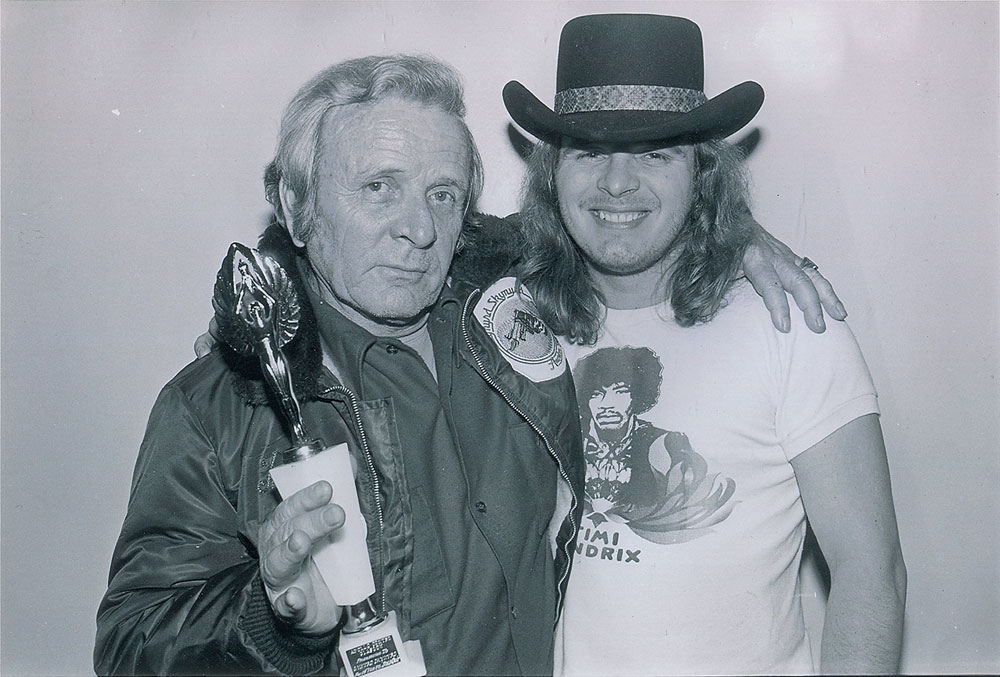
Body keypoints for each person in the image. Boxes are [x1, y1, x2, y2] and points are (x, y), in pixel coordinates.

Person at [95, 55, 586, 676]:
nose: (419, 230)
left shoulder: (512, 322)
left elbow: (619, 228)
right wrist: (273, 617)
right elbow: (130, 645)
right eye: (378, 187)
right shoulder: (217, 406)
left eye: (443, 195)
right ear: (297, 205)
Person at [498, 13, 907, 675]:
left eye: (655, 153)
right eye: (589, 151)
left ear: (702, 173)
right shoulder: (510, 321)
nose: (617, 182)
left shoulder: (790, 324)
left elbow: (871, 572)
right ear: (552, 172)